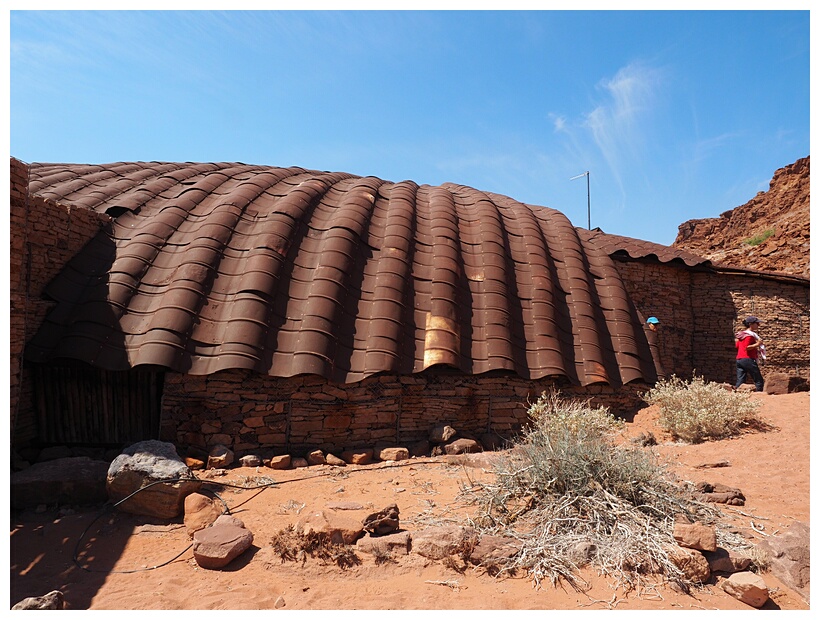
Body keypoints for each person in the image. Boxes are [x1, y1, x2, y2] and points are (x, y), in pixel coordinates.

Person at [735, 316, 764, 391]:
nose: (758, 325)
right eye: (757, 323)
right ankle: (760, 394)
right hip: (748, 359)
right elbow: (747, 347)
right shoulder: (749, 336)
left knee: (740, 380)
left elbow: (737, 346)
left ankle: (737, 394)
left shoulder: (742, 335)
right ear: (751, 324)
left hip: (739, 359)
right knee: (758, 380)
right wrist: (757, 344)